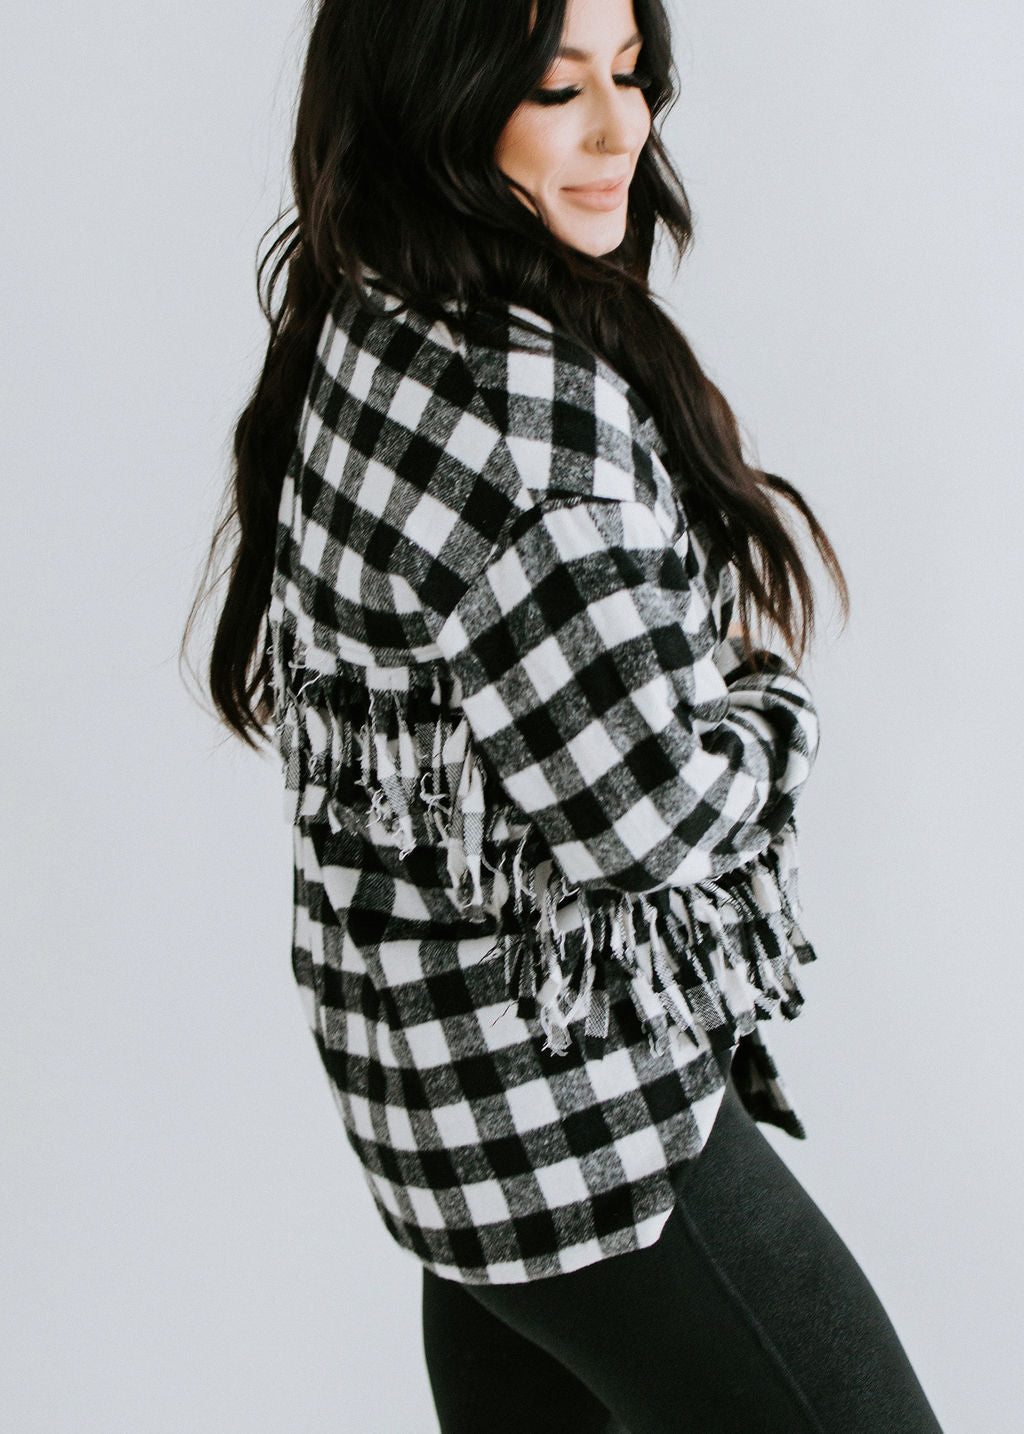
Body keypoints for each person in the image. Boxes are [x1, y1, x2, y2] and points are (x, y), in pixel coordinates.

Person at [185, 0, 944, 1428]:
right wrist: (774, 709)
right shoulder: (519, 417)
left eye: (634, 75)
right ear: (441, 98)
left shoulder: (371, 313)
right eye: (555, 90)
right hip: (589, 1139)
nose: (620, 131)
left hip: (445, 1128)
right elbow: (645, 819)